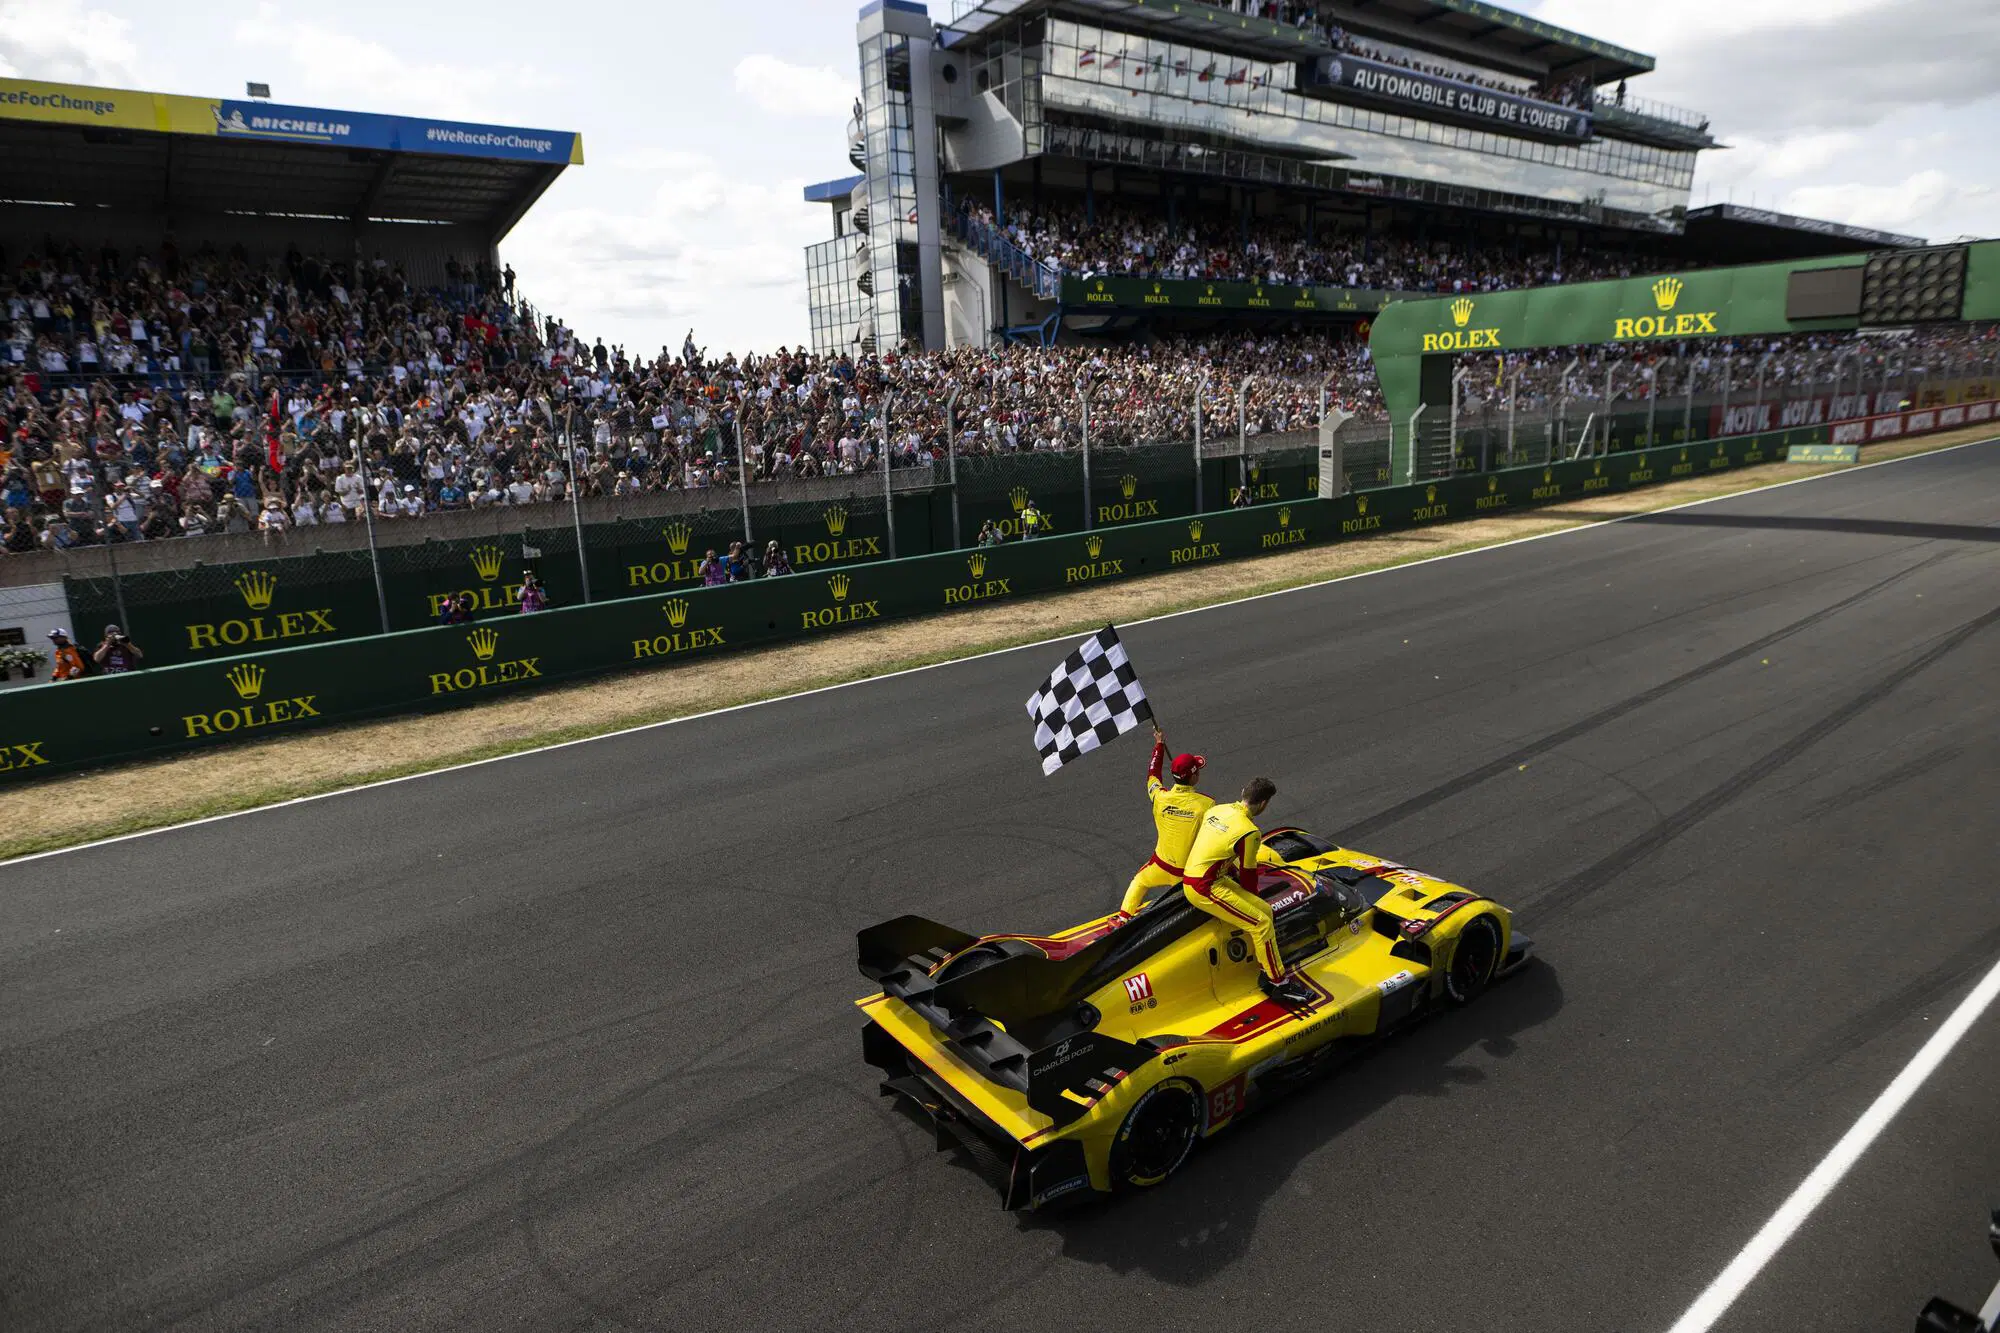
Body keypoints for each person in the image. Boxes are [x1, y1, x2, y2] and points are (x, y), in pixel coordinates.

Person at [1182, 776, 1314, 1004]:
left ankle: (1267, 965)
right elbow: (1249, 876)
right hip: (1204, 886)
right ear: (1263, 804)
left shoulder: (1218, 810)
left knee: (1265, 910)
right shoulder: (1250, 832)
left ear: (1243, 791)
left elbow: (1215, 848)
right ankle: (1279, 984)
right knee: (1260, 923)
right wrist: (1249, 899)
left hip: (1203, 877)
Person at [1119, 723, 1213, 917]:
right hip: (1189, 873)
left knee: (1139, 881)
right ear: (1194, 776)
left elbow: (1152, 773)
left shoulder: (1159, 796)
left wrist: (1159, 745)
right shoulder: (1206, 804)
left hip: (1161, 865)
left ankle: (1122, 918)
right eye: (1198, 770)